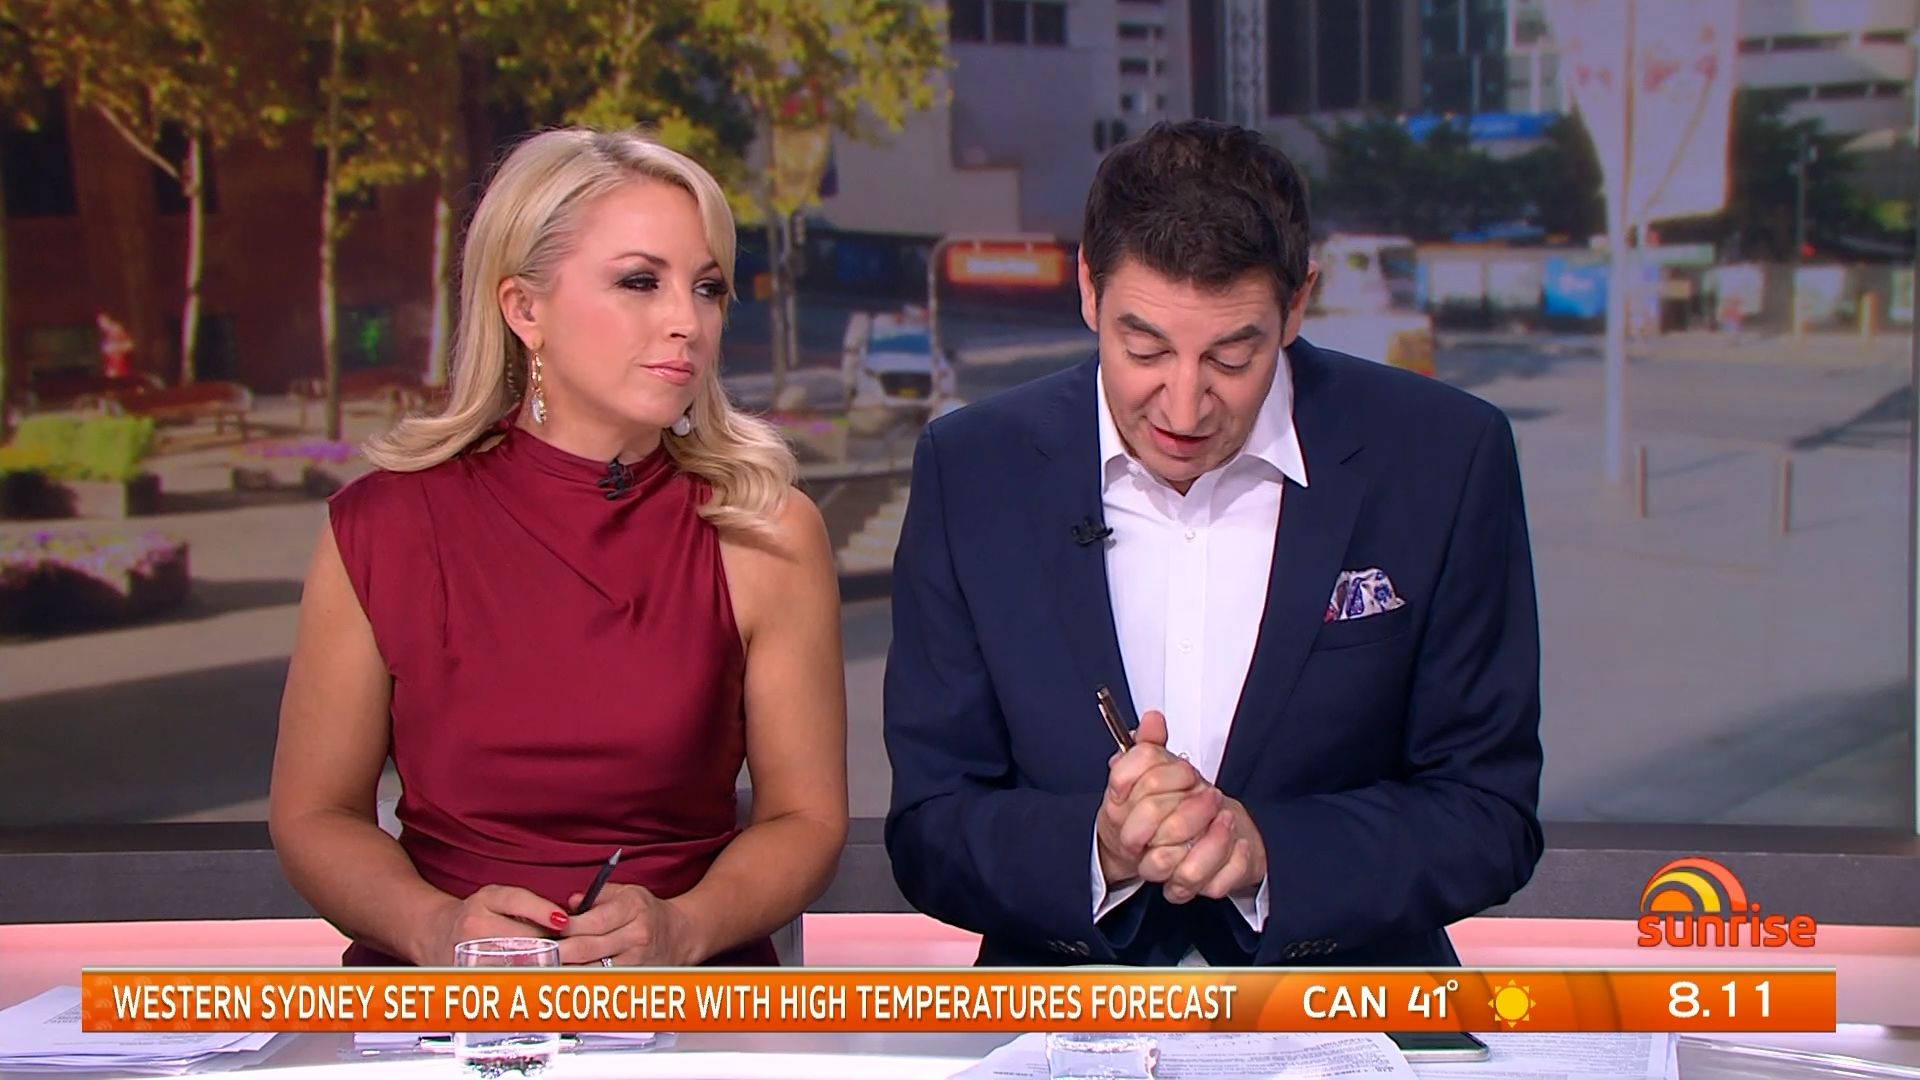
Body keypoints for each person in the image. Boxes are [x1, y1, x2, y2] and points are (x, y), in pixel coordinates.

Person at [883, 120, 1543, 968]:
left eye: (1232, 357)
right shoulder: (972, 468)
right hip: (1065, 1013)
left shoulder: (1445, 457)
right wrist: (1098, 851)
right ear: (1087, 288)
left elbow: (1489, 813)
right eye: (1144, 349)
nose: (1184, 407)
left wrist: (1270, 853)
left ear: (1297, 303)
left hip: (1352, 1010)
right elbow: (931, 824)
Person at [269, 128, 848, 968]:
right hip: (444, 1003)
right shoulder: (383, 526)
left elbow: (806, 821)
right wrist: (435, 928)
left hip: (685, 1000)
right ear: (524, 309)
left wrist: (684, 927)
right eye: (640, 282)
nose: (686, 322)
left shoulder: (765, 529)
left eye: (708, 288)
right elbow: (315, 815)